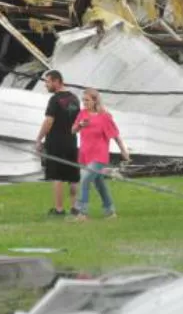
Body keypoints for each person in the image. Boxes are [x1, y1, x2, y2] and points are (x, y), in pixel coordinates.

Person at [70, 88, 129, 221]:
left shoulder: (105, 117)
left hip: (99, 156)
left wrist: (124, 151)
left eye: (87, 100)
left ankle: (81, 213)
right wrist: (79, 125)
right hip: (85, 154)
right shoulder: (82, 113)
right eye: (83, 100)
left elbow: (116, 136)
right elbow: (73, 130)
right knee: (99, 183)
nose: (84, 102)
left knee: (85, 180)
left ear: (95, 100)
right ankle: (110, 212)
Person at [35, 70, 81, 216]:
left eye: (47, 82)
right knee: (73, 176)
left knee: (58, 176)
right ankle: (75, 208)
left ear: (56, 81)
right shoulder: (75, 99)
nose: (46, 85)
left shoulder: (55, 100)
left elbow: (49, 121)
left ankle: (59, 209)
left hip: (56, 142)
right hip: (72, 141)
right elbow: (77, 121)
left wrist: (39, 139)